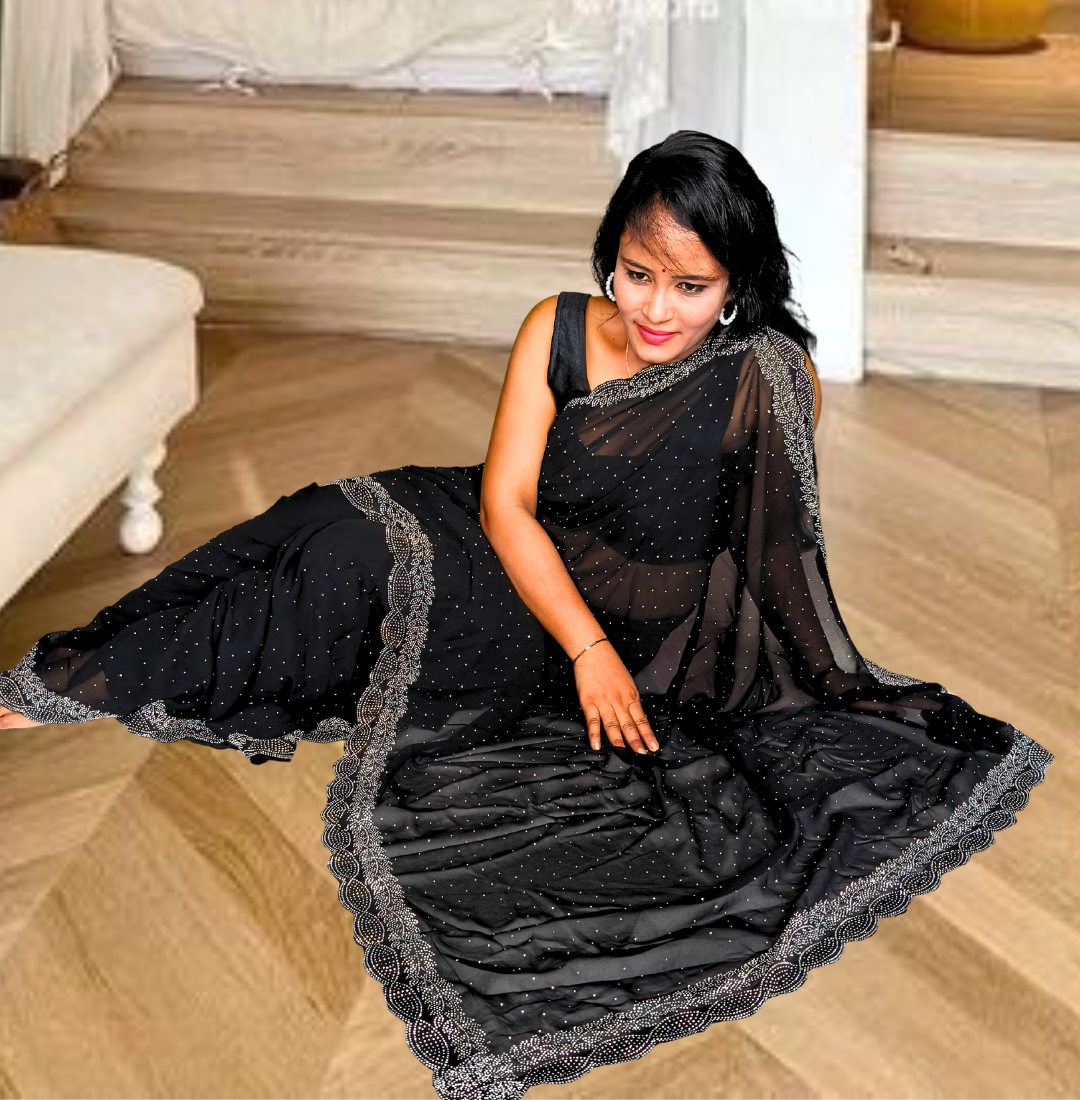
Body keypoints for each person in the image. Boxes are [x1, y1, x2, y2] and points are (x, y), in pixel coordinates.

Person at [0, 132, 1053, 1100]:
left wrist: (639, 656)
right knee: (322, 532)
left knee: (366, 620)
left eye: (690, 286)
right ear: (610, 257)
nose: (655, 309)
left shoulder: (767, 380)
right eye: (636, 274)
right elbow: (505, 501)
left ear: (737, 282)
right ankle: (85, 669)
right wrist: (583, 646)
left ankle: (104, 680)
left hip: (632, 619)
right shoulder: (556, 326)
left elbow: (762, 552)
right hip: (508, 547)